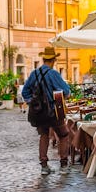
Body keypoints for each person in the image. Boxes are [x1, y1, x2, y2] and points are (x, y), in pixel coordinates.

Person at [22, 47, 71, 175]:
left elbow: (25, 92)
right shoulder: (54, 74)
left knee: (43, 136)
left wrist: (32, 102)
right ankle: (64, 164)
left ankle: (44, 166)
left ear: (43, 59)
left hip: (39, 112)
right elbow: (66, 91)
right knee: (63, 135)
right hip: (54, 111)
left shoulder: (34, 73)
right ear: (53, 60)